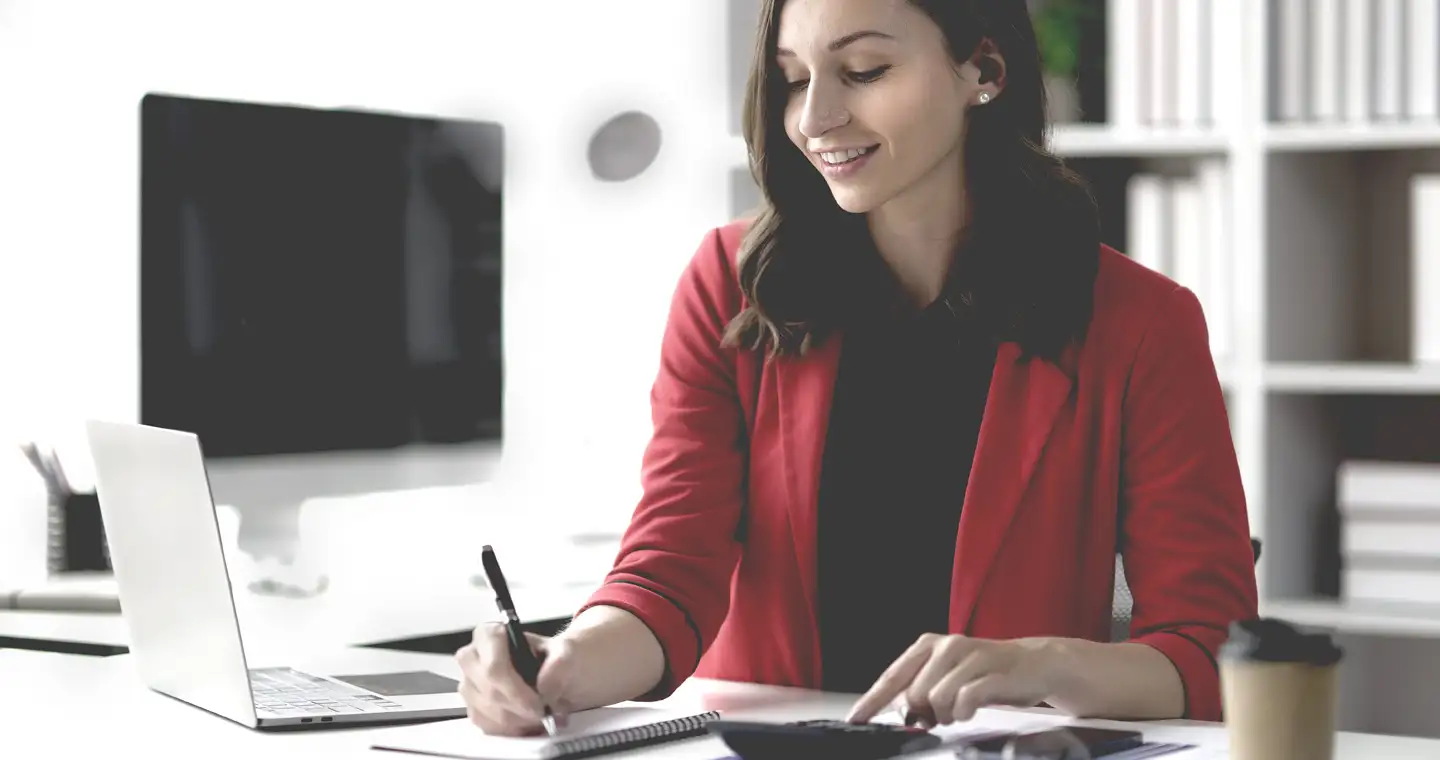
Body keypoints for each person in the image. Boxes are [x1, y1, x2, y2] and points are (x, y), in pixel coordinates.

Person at [456, 0, 1258, 735]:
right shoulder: (728, 287)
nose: (816, 118)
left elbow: (1209, 653)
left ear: (984, 70)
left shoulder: (1141, 323)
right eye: (794, 79)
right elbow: (669, 573)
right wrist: (563, 663)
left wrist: (1036, 664)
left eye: (864, 71)